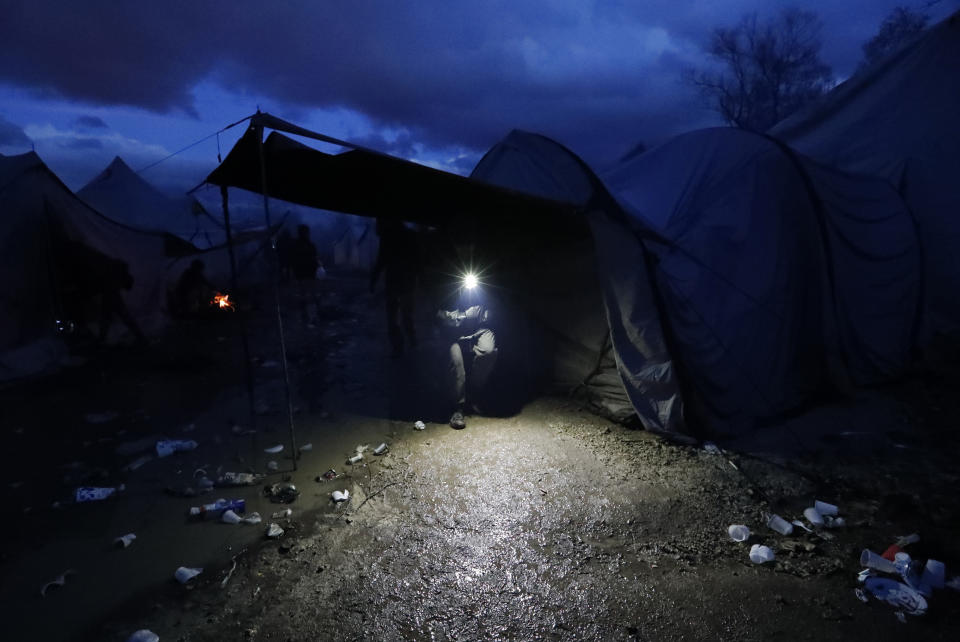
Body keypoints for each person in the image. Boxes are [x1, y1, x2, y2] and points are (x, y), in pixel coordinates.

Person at [436, 281, 497, 429]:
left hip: (479, 330)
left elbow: (489, 313)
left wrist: (484, 313)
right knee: (456, 363)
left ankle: (474, 395)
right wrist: (463, 316)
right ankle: (457, 408)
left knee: (488, 351)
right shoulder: (444, 289)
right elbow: (440, 316)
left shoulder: (480, 285)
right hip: (452, 336)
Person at [369, 218, 420, 357]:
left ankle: (399, 346)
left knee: (393, 316)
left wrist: (373, 280)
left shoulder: (387, 238)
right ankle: (411, 340)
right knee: (406, 315)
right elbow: (419, 259)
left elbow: (381, 260)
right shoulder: (410, 235)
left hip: (394, 282)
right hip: (407, 282)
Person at [288, 224, 320, 325]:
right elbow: (294, 260)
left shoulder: (301, 245)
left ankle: (309, 316)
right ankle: (307, 316)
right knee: (307, 296)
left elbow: (314, 259)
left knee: (308, 296)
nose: (307, 234)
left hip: (306, 274)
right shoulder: (303, 245)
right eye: (306, 232)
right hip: (304, 274)